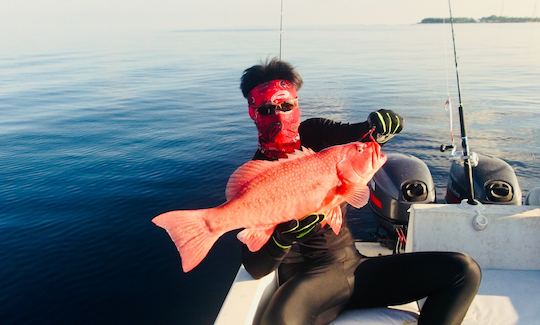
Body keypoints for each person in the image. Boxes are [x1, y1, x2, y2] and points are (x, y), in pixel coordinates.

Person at [240, 58, 481, 325]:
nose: (280, 115)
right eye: (267, 109)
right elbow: (255, 266)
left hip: (353, 265)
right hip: (307, 281)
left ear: (297, 104)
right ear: (253, 112)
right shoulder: (255, 176)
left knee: (462, 270)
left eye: (287, 105)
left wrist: (381, 126)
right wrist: (282, 238)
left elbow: (358, 137)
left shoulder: (316, 133)